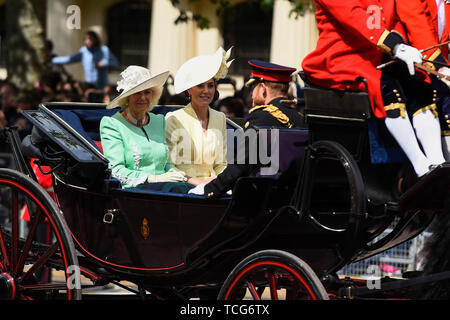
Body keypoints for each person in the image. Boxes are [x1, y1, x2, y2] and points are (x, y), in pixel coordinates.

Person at [301, 1, 446, 178]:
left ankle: (437, 162)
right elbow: (352, 15)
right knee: (388, 90)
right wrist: (393, 44)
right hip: (342, 58)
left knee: (421, 85)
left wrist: (400, 42)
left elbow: (395, 21)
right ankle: (421, 166)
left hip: (379, 56)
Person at [189, 60, 306, 197]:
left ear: (262, 88)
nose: (251, 94)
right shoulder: (300, 118)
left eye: (253, 87)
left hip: (261, 200)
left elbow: (241, 165)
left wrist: (210, 189)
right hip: (292, 198)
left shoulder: (260, 117)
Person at [100, 65, 189, 192]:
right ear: (127, 97)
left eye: (147, 92)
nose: (143, 97)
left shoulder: (159, 121)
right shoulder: (112, 124)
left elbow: (167, 164)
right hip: (134, 192)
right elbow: (116, 170)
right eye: (137, 93)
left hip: (167, 189)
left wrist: (177, 175)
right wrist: (152, 178)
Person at [165, 47, 233, 186]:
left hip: (214, 187)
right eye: (200, 86)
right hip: (182, 187)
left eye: (210, 85)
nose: (206, 91)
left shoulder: (220, 118)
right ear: (189, 89)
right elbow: (168, 165)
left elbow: (221, 163)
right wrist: (198, 183)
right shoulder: (174, 119)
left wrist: (220, 181)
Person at [395, 0, 450, 161]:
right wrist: (442, 68)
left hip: (439, 67)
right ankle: (435, 166)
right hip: (411, 68)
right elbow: (418, 28)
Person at [51, 31, 119, 90]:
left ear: (96, 39)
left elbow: (115, 63)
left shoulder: (104, 50)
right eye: (86, 39)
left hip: (102, 87)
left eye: (90, 38)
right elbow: (69, 59)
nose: (88, 41)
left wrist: (103, 63)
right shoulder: (83, 51)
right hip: (89, 86)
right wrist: (52, 59)